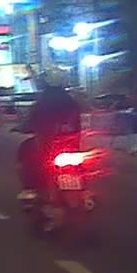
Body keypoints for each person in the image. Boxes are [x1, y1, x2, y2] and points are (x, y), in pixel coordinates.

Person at [16, 69, 82, 201]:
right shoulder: (71, 101)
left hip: (48, 146)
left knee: (25, 151)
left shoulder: (42, 102)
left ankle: (30, 188)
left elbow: (30, 121)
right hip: (70, 146)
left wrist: (22, 127)